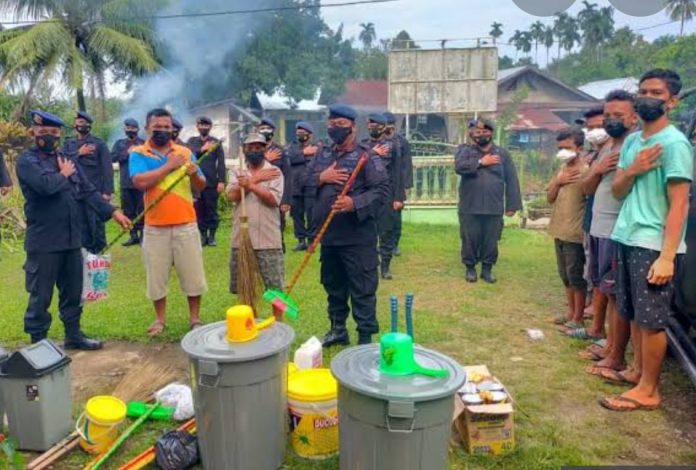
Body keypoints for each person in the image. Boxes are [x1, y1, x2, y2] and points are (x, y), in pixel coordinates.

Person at [601, 69, 692, 412]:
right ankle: (637, 372)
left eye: (656, 92)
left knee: (652, 320)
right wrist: (635, 168)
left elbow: (680, 203)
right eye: (643, 91)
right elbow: (619, 189)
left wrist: (667, 256)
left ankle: (649, 391)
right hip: (627, 234)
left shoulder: (674, 144)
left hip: (654, 243)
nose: (647, 97)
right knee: (636, 314)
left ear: (672, 100)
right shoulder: (636, 141)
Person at [16, 110, 130, 349]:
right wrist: (64, 174)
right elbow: (45, 187)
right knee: (41, 295)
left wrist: (113, 212)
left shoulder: (64, 159)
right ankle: (39, 342)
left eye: (54, 133)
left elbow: (87, 190)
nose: (49, 137)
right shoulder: (28, 161)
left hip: (71, 239)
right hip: (44, 241)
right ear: (32, 132)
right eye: (43, 132)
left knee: (73, 291)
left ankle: (73, 335)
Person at [307, 104, 389, 347]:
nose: (334, 129)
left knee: (362, 288)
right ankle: (338, 329)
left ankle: (365, 337)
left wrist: (354, 202)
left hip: (357, 237)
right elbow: (303, 182)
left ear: (353, 126)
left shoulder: (367, 156)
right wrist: (322, 178)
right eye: (331, 124)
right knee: (333, 285)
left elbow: (382, 191)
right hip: (329, 236)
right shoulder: (322, 154)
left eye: (340, 125)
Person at [129, 108, 209, 336]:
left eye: (167, 127)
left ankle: (195, 319)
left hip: (186, 223)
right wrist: (169, 166)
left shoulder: (184, 151)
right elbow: (140, 182)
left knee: (192, 274)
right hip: (155, 226)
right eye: (158, 127)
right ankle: (160, 320)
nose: (163, 131)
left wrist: (193, 173)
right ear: (147, 129)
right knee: (157, 276)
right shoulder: (139, 153)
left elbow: (201, 185)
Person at [579, 91, 638, 371]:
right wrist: (597, 170)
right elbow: (587, 189)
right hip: (599, 226)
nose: (612, 120)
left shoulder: (633, 145)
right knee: (605, 289)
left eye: (619, 115)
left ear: (633, 117)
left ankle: (616, 354)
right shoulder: (605, 148)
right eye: (608, 115)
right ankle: (610, 347)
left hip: (619, 229)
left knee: (615, 294)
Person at [454, 118, 522, 283]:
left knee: (491, 240)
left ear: (491, 133)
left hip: (493, 206)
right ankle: (470, 268)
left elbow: (512, 179)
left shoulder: (502, 154)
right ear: (471, 134)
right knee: (470, 238)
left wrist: (512, 205)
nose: (481, 135)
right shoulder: (465, 151)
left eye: (485, 131)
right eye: (477, 132)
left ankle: (487, 269)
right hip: (470, 206)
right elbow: (459, 167)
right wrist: (480, 162)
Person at [227, 133, 285, 303]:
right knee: (244, 286)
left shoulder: (274, 172)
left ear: (264, 148)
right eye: (250, 148)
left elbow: (274, 200)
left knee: (275, 288)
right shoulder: (237, 171)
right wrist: (255, 179)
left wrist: (250, 184)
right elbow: (232, 196)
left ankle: (278, 322)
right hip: (241, 239)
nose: (254, 151)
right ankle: (248, 319)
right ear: (244, 150)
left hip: (268, 239)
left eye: (258, 147)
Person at [547, 128, 589, 330]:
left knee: (576, 277)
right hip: (559, 230)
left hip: (575, 233)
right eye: (560, 148)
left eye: (567, 147)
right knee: (565, 276)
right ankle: (570, 312)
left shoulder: (587, 170)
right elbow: (550, 197)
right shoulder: (562, 169)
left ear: (579, 148)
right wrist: (558, 181)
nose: (563, 151)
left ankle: (579, 318)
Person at [62, 111, 113, 254]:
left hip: (94, 192)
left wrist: (107, 192)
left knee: (96, 224)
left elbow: (107, 168)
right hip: (73, 193)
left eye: (86, 123)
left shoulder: (99, 144)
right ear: (74, 124)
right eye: (80, 123)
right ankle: (82, 254)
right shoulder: (68, 144)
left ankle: (99, 255)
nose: (83, 126)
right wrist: (79, 153)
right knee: (79, 224)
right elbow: (61, 161)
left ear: (90, 126)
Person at [361, 113, 404, 280]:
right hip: (367, 195)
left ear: (384, 127)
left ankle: (385, 266)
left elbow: (398, 172)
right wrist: (372, 153)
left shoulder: (393, 146)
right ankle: (369, 265)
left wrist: (398, 198)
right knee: (367, 232)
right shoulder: (363, 145)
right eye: (370, 124)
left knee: (385, 233)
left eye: (377, 125)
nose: (373, 127)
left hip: (386, 195)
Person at [188, 116, 226, 247]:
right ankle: (202, 235)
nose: (204, 127)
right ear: (197, 126)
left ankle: (212, 236)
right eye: (201, 125)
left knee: (211, 209)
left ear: (210, 127)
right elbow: (189, 156)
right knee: (199, 210)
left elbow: (221, 162)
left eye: (206, 125)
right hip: (195, 182)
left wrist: (221, 181)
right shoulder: (192, 142)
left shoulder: (216, 142)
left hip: (211, 182)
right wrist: (202, 150)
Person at [258, 117, 292, 251]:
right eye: (262, 128)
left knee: (278, 223)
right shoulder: (254, 148)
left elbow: (288, 176)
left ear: (273, 131)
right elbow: (247, 169)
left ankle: (278, 245)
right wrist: (265, 159)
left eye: (268, 128)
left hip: (276, 193)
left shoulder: (280, 151)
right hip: (257, 191)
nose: (265, 131)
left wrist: (286, 200)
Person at [286, 121, 320, 251]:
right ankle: (301, 240)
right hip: (295, 186)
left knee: (311, 214)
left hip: (311, 185)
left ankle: (312, 240)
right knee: (297, 215)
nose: (300, 135)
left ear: (309, 135)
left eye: (303, 133)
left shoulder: (318, 147)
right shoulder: (291, 147)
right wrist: (304, 153)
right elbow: (288, 160)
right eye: (298, 133)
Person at [111, 118, 145, 246]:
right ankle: (133, 235)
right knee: (128, 211)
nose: (130, 130)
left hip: (141, 182)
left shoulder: (144, 143)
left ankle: (143, 236)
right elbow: (112, 157)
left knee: (142, 210)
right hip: (126, 183)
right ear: (124, 129)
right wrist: (127, 153)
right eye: (128, 128)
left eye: (133, 128)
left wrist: (138, 151)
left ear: (137, 129)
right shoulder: (119, 144)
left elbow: (150, 157)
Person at [384, 111, 412, 257]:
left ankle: (394, 244)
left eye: (390, 124)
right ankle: (382, 243)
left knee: (395, 216)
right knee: (379, 217)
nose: (388, 127)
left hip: (397, 185)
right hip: (380, 184)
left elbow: (407, 165)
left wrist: (406, 187)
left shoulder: (402, 142)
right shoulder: (377, 142)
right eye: (385, 124)